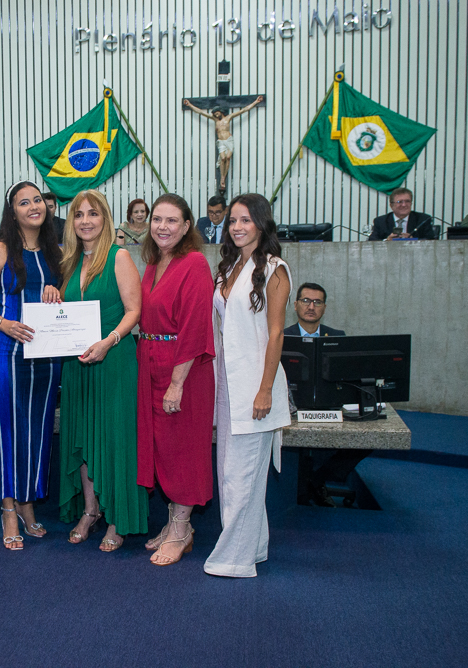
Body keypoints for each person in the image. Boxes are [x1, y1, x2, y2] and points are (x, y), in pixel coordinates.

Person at [0, 180, 63, 551]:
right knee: (7, 429)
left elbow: (64, 302)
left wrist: (57, 294)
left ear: (47, 206)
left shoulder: (55, 250)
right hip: (1, 351)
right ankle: (8, 508)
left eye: (37, 200)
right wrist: (3, 323)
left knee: (37, 429)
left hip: (44, 353)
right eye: (24, 203)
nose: (33, 207)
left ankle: (28, 502)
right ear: (13, 211)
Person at [205, 193, 292, 578]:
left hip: (258, 386)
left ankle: (234, 559)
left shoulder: (274, 269)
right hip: (227, 383)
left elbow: (276, 335)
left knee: (243, 474)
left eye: (245, 220)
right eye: (233, 221)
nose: (237, 227)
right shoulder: (228, 267)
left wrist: (265, 389)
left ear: (261, 223)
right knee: (231, 471)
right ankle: (253, 547)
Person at [58, 190, 148, 552]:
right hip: (77, 364)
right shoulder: (68, 262)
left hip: (114, 361)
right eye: (78, 214)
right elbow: (62, 313)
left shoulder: (119, 256)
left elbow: (134, 311)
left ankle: (117, 518)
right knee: (82, 435)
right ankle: (91, 510)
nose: (85, 221)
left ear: (105, 218)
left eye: (92, 214)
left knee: (114, 438)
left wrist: (108, 342)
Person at [137, 193, 216, 566]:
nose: (163, 227)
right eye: (157, 219)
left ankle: (183, 529)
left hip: (183, 369)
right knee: (163, 448)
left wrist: (177, 383)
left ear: (187, 227)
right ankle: (173, 525)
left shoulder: (195, 263)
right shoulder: (153, 264)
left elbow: (195, 328)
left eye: (172, 221)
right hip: (151, 362)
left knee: (183, 449)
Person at [282, 284, 369, 507]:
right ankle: (309, 484)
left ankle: (315, 479)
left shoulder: (338, 337)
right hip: (291, 409)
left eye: (317, 302)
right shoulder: (282, 337)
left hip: (330, 408)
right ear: (295, 305)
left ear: (324, 307)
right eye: (306, 301)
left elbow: (349, 379)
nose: (311, 306)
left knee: (367, 440)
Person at [183, 96, 264, 192]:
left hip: (229, 140)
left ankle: (223, 178)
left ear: (221, 112)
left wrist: (256, 102)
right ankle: (222, 177)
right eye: (215, 114)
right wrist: (190, 105)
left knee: (228, 158)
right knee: (223, 158)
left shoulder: (228, 118)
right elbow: (200, 112)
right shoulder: (215, 120)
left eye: (217, 113)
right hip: (221, 141)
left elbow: (244, 110)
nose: (216, 115)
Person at [368, 188, 436, 240]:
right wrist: (387, 241)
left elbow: (431, 241)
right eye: (399, 202)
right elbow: (372, 242)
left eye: (407, 201)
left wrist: (413, 241)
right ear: (391, 205)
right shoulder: (380, 221)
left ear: (411, 203)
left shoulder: (423, 219)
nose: (404, 205)